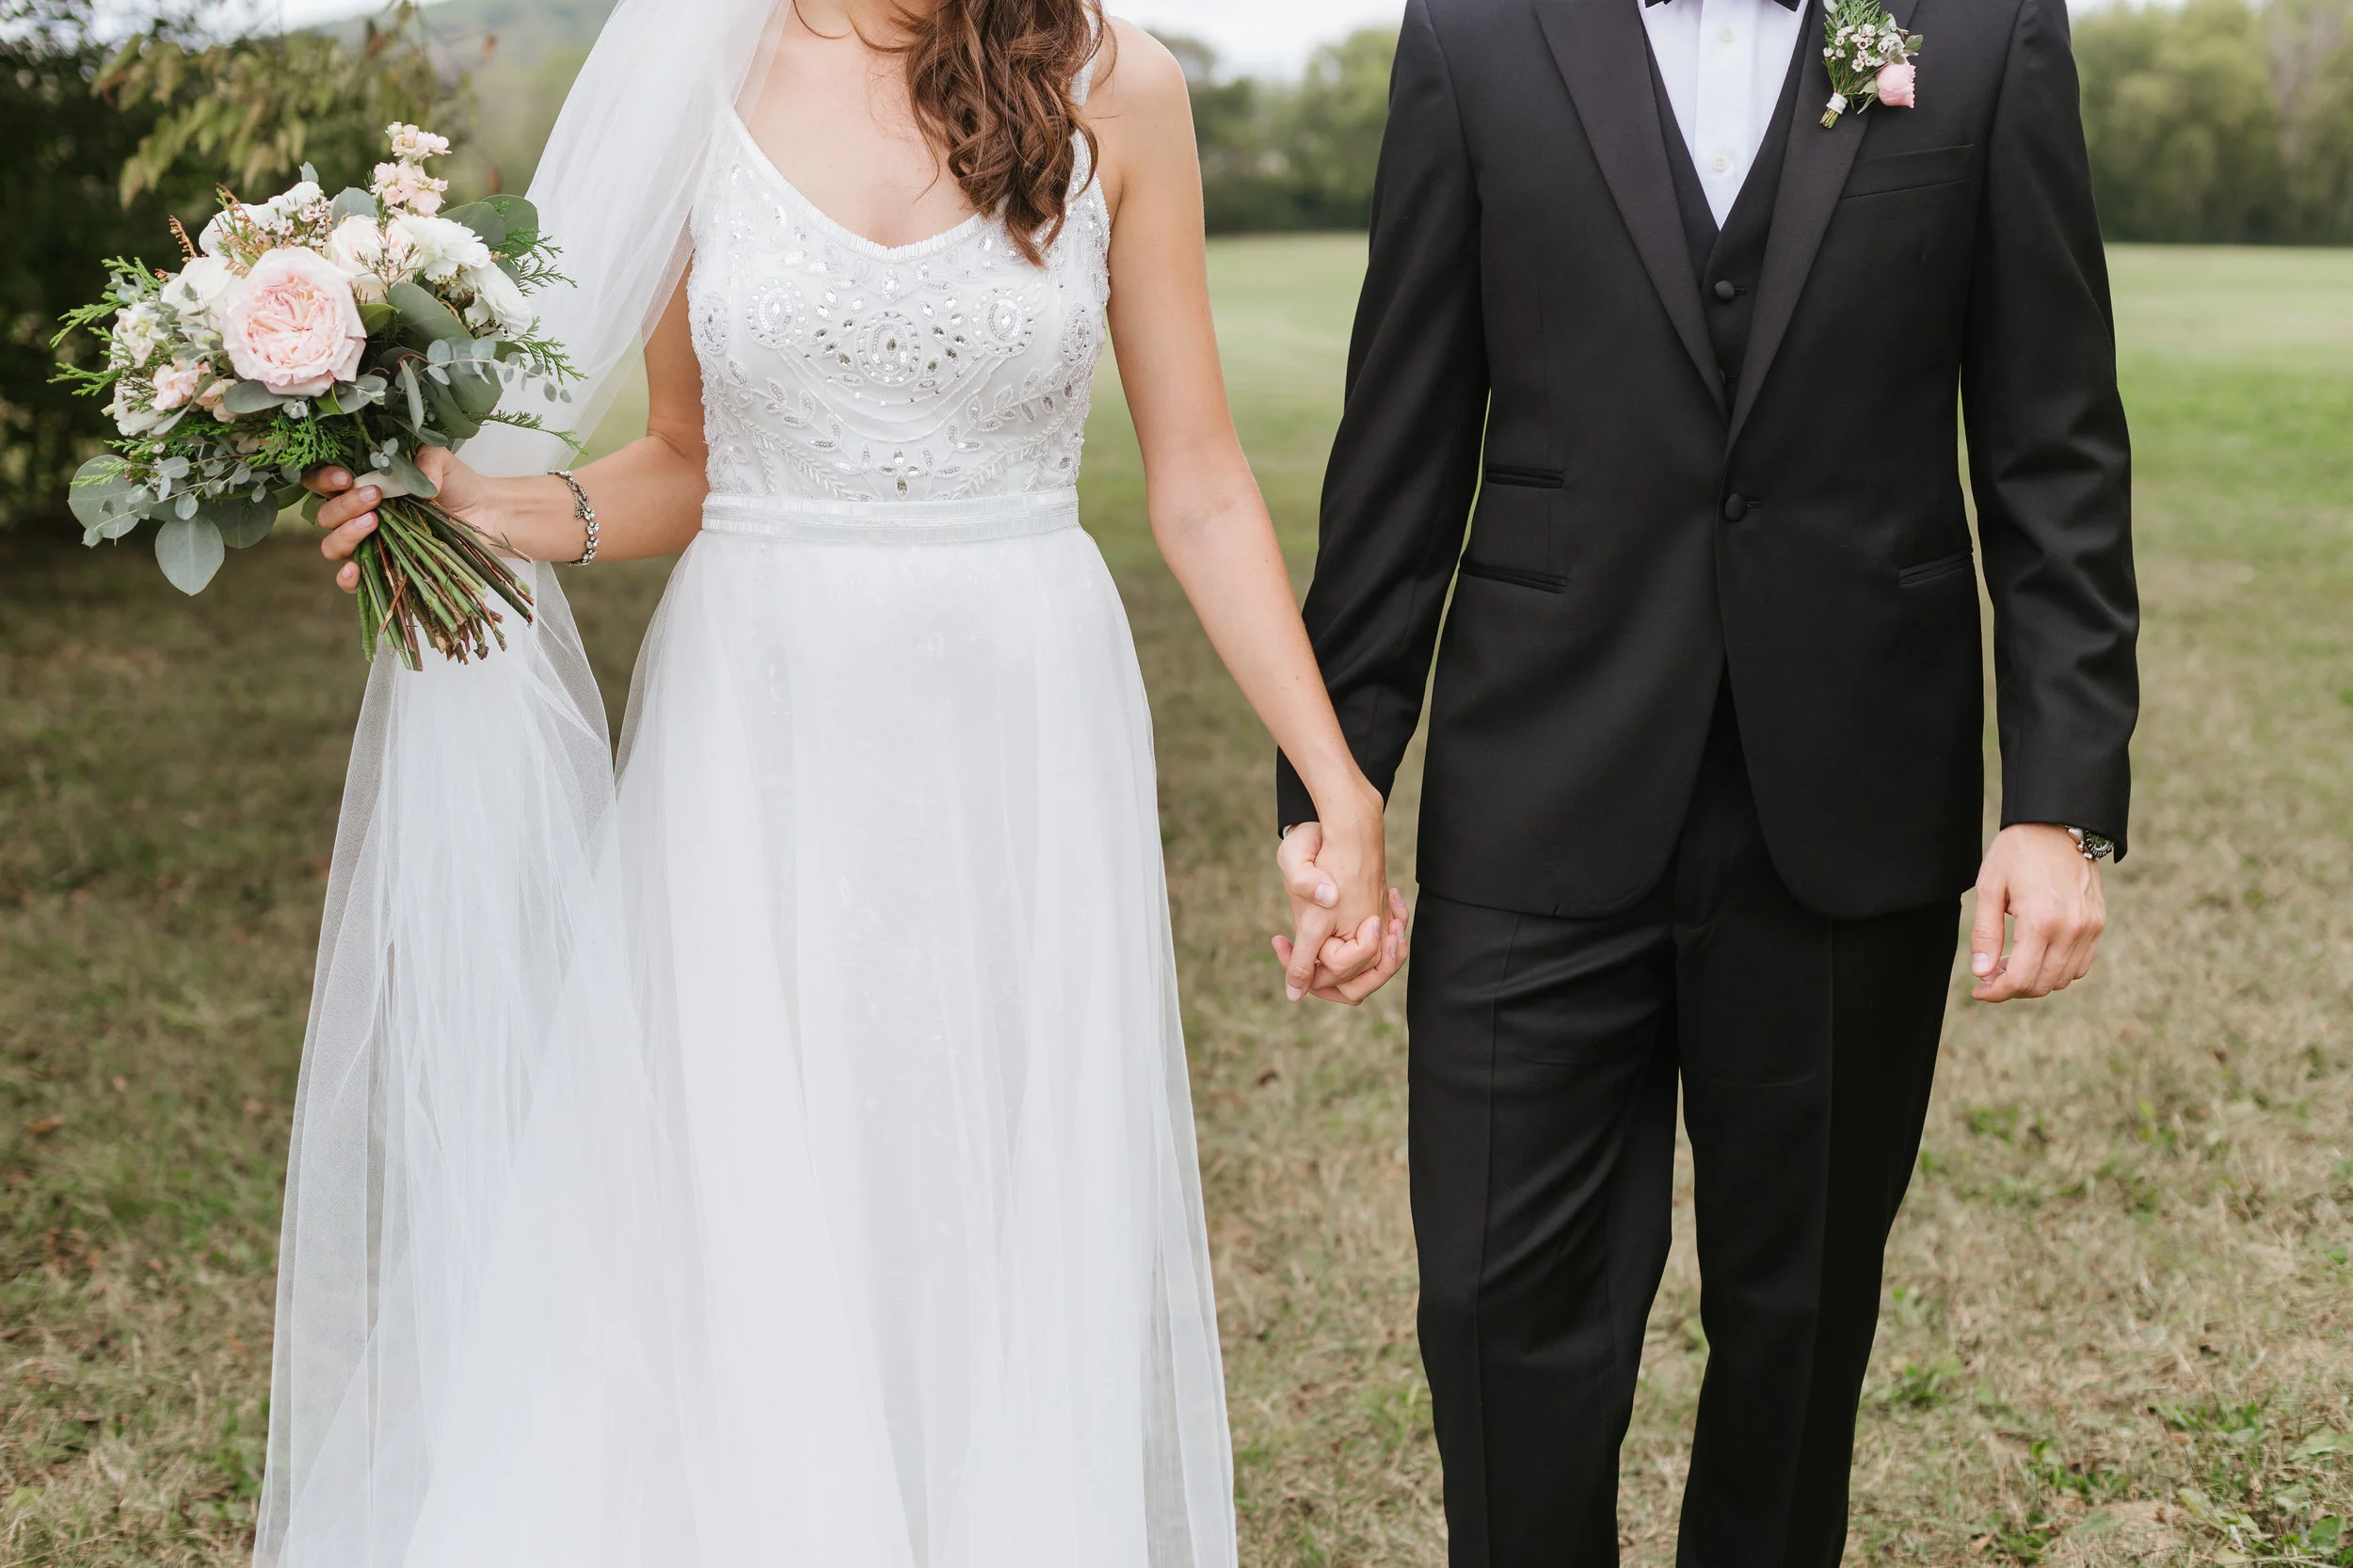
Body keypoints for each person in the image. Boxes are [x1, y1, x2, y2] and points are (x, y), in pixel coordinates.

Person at [264, 1, 1405, 1562]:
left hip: (1026, 725)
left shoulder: (1116, 82)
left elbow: (1199, 477)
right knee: (746, 1170)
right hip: (761, 720)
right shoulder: (700, 74)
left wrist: (1333, 780)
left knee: (994, 1191)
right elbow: (685, 454)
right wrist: (501, 512)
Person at [1274, 0, 2138, 1560]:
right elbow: (1399, 441)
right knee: (1491, 1301)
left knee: (1797, 1325)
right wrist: (1333, 778)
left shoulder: (1981, 26)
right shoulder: (1474, 32)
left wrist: (2056, 795)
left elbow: (2054, 437)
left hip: (1850, 791)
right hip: (1539, 771)